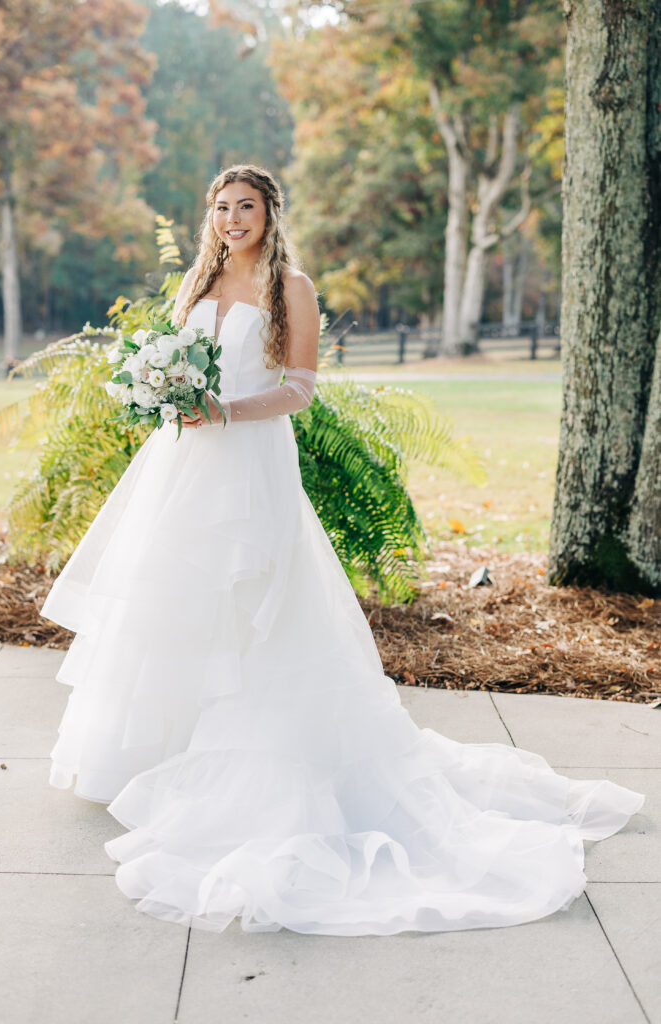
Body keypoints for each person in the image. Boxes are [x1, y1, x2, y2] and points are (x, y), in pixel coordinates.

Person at [41, 164, 644, 937]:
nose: (232, 220)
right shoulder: (197, 282)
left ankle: (243, 759)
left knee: (250, 600)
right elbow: (174, 362)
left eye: (246, 207)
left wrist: (222, 410)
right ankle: (154, 755)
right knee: (174, 598)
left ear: (270, 212)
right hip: (181, 461)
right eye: (221, 207)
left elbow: (298, 389)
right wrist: (161, 392)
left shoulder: (290, 287)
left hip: (249, 457)